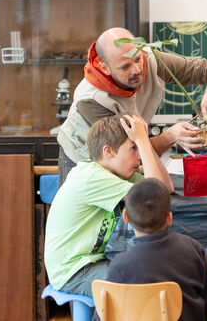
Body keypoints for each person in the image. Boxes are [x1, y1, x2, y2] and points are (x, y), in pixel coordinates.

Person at [57, 27, 207, 185]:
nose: (137, 70)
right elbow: (132, 150)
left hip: (127, 153)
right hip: (84, 158)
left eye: (137, 59)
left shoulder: (150, 60)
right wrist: (169, 136)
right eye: (125, 67)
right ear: (105, 67)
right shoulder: (92, 99)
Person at [44, 114, 172, 296]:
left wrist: (143, 141)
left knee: (154, 272)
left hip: (96, 260)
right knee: (141, 284)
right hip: (74, 270)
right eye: (133, 148)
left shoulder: (118, 173)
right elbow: (154, 195)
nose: (139, 157)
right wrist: (143, 141)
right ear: (108, 151)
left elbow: (165, 188)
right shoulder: (92, 177)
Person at [100, 178, 207, 321]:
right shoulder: (193, 248)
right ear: (169, 218)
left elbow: (105, 315)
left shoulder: (120, 265)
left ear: (125, 217)